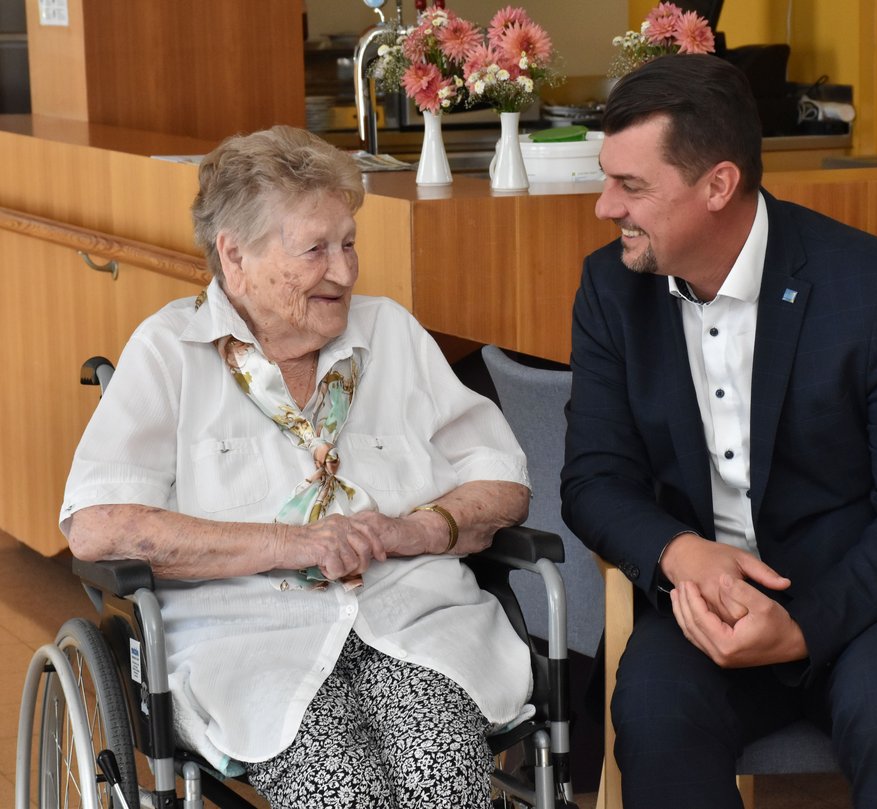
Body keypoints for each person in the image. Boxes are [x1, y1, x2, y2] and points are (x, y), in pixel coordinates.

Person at [561, 54, 877, 809]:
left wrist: (798, 627)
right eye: (607, 177)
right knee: (655, 712)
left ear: (717, 185)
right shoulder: (609, 290)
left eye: (630, 186)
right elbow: (595, 479)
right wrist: (678, 552)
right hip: (711, 598)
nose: (604, 207)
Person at [60, 125, 533, 808]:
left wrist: (420, 528)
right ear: (235, 254)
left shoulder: (391, 334)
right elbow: (100, 526)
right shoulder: (170, 352)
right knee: (340, 789)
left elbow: (501, 481)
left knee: (441, 771)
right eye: (315, 249)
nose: (343, 270)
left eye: (348, 243)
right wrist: (289, 543)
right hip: (246, 638)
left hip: (413, 620)